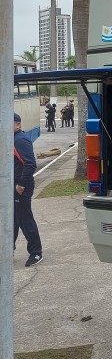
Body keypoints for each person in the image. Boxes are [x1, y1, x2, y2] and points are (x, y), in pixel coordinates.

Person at [13, 113, 43, 267]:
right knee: (12, 220)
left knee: (25, 220)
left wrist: (21, 185)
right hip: (13, 186)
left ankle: (36, 252)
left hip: (20, 187)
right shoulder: (11, 139)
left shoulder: (20, 140)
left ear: (17, 125)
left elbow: (30, 164)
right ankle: (7, 250)